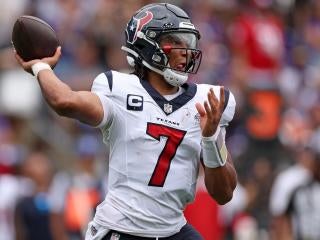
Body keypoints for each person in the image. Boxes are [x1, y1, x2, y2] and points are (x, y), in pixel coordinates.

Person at [14, 3, 237, 240]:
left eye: (188, 43)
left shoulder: (206, 102)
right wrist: (41, 67)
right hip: (122, 229)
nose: (185, 51)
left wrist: (211, 138)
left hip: (173, 230)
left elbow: (223, 194)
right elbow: (64, 101)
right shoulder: (119, 89)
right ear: (147, 44)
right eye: (176, 42)